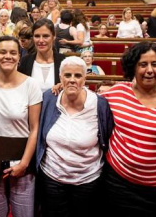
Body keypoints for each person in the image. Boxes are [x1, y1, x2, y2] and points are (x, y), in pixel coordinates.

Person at [101, 41, 156, 216]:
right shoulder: (117, 93)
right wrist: (61, 88)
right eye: (143, 64)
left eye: (155, 64)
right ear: (133, 68)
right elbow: (87, 102)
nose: (150, 70)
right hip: (117, 184)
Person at [36, 56, 114, 217]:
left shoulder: (99, 104)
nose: (72, 80)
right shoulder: (49, 99)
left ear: (85, 78)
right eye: (67, 75)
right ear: (60, 78)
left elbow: (106, 138)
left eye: (78, 76)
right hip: (52, 178)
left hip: (88, 180)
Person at [0, 36, 42, 217]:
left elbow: (34, 129)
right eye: (3, 52)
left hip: (22, 158)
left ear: (19, 56)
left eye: (13, 53)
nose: (8, 56)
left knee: (23, 213)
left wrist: (24, 163)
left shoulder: (31, 85)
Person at [19, 19, 66, 92]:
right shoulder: (25, 61)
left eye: (45, 36)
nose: (41, 40)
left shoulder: (64, 62)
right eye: (37, 36)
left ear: (54, 37)